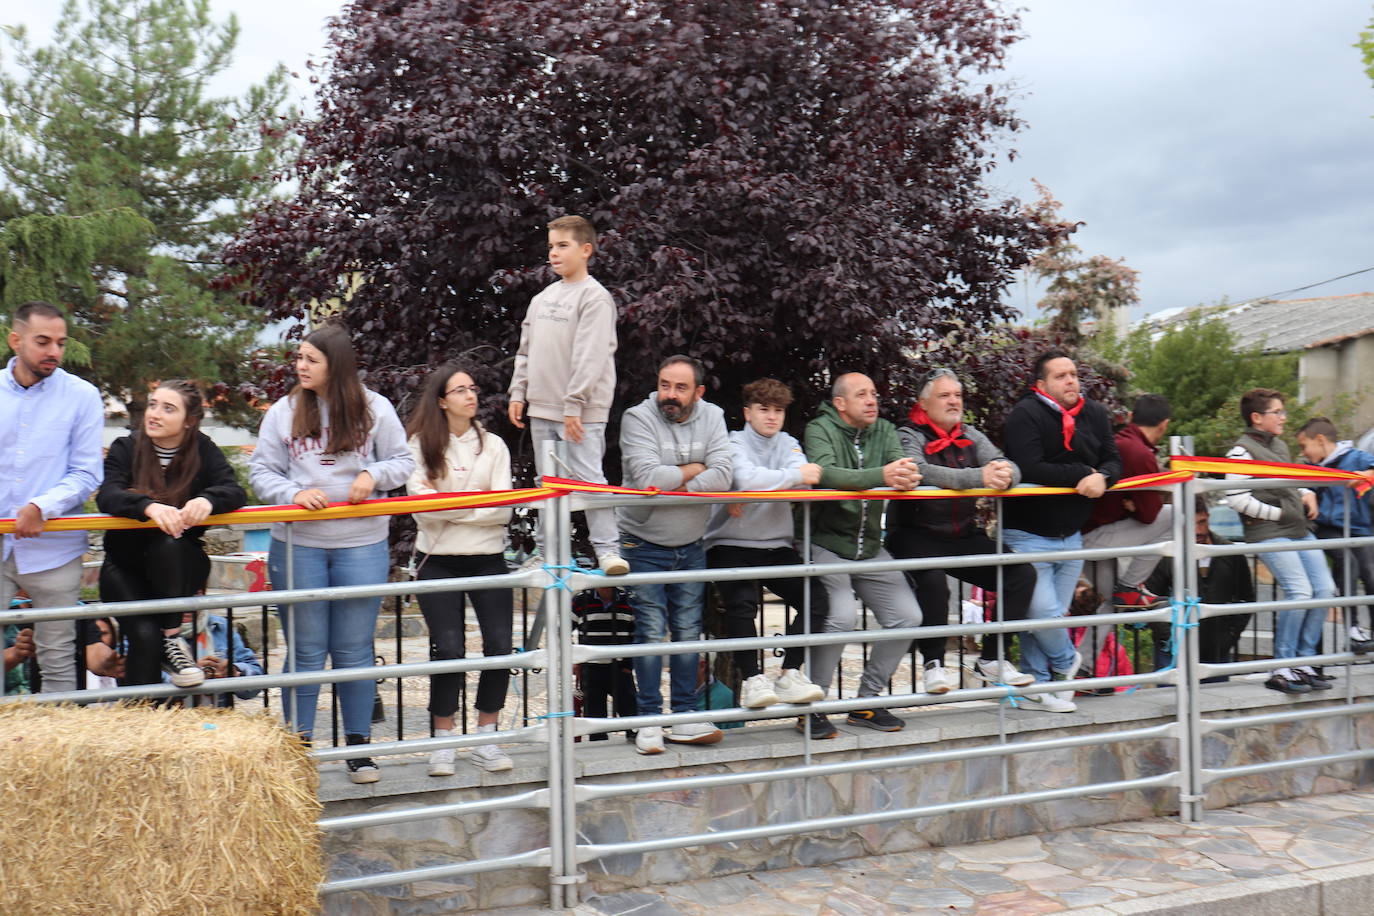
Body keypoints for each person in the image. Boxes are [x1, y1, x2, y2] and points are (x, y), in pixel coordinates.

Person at [250, 323, 415, 783]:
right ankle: (297, 750)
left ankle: (359, 750)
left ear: (335, 366)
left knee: (354, 650)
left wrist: (373, 476)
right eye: (299, 358)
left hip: (360, 544)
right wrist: (293, 492)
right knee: (304, 651)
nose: (300, 366)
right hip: (298, 544)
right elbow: (261, 471)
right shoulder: (283, 411)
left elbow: (403, 462)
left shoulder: (375, 408)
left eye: (310, 360)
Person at [887, 368, 1035, 695]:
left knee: (1021, 574)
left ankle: (992, 659)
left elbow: (1006, 465)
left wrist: (1005, 475)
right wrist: (979, 477)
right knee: (933, 582)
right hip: (916, 533)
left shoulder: (970, 433)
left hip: (962, 535)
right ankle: (933, 663)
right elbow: (920, 471)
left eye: (957, 395)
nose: (954, 401)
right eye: (945, 395)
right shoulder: (908, 434)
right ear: (923, 404)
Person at [96, 380, 247, 691]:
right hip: (126, 568)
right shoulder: (127, 447)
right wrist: (148, 507)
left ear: (189, 420)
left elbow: (233, 490)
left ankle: (172, 636)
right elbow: (108, 494)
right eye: (153, 405)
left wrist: (207, 500)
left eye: (168, 408)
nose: (155, 414)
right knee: (144, 637)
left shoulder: (203, 449)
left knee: (169, 543)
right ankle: (142, 717)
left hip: (178, 567)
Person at [618, 355, 733, 754]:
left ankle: (684, 716)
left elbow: (725, 475)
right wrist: (694, 469)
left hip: (690, 544)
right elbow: (648, 478)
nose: (670, 394)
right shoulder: (638, 417)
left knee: (687, 631)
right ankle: (649, 720)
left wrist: (674, 481)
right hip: (641, 541)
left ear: (698, 393)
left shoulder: (713, 416)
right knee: (650, 631)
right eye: (665, 384)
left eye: (681, 388)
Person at [405, 361, 515, 776]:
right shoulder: (419, 445)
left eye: (473, 388)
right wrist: (476, 503)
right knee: (448, 649)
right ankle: (444, 741)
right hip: (437, 559)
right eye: (461, 390)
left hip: (488, 557)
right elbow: (421, 510)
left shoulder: (496, 446)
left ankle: (487, 738)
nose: (471, 396)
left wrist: (449, 505)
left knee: (500, 646)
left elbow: (502, 510)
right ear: (441, 401)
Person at [803, 372, 923, 736]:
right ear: (840, 403)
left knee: (908, 616)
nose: (872, 400)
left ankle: (866, 703)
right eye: (862, 395)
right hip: (826, 542)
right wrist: (882, 474)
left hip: (870, 546)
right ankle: (812, 707)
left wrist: (905, 475)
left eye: (874, 393)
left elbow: (902, 467)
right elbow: (826, 475)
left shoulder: (884, 429)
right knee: (841, 618)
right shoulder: (819, 429)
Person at [1001, 350, 1121, 713]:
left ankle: (1037, 689)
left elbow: (1114, 459)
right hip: (1027, 531)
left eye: (1073, 374)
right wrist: (1083, 474)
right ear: (1041, 385)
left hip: (1071, 533)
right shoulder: (1025, 414)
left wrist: (1103, 477)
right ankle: (1069, 661)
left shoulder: (1094, 413)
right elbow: (1028, 467)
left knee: (1049, 616)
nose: (1071, 381)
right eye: (1061, 376)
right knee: (1042, 613)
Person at [507, 215, 626, 575]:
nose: (554, 254)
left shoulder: (595, 297)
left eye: (563, 245)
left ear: (586, 250)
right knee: (548, 484)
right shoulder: (542, 298)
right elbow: (525, 350)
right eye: (551, 247)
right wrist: (519, 392)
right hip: (543, 408)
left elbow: (590, 355)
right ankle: (549, 554)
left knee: (590, 480)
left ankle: (608, 552)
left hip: (582, 411)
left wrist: (574, 404)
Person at [703, 378, 828, 714]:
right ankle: (753, 679)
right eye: (764, 409)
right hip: (729, 541)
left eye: (778, 410)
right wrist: (791, 476)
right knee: (742, 603)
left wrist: (770, 483)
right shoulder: (733, 442)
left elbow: (807, 485)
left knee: (815, 596)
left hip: (775, 544)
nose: (772, 416)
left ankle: (790, 673)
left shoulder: (788, 442)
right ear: (747, 412)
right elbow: (746, 478)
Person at [1, 301, 104, 694]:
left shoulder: (82, 396)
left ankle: (58, 751)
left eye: (61, 342)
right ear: (16, 340)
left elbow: (86, 472)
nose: (54, 352)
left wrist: (41, 506)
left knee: (58, 655)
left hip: (54, 547)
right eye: (43, 341)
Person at [1223, 388, 1336, 693]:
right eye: (1278, 412)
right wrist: (1279, 514)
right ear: (1257, 418)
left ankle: (1304, 662)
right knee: (1300, 591)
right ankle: (1283, 666)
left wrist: (1306, 492)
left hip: (1296, 529)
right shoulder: (1240, 452)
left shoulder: (1281, 446)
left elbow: (1290, 482)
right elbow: (1235, 498)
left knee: (1325, 590)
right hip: (1269, 532)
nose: (1284, 417)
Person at [1144, 496, 1255, 677]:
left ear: (1208, 516)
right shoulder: (1166, 554)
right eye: (1191, 524)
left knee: (1217, 703)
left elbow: (1246, 598)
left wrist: (1230, 636)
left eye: (1202, 522)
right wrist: (1168, 638)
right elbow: (1150, 597)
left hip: (1217, 650)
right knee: (1169, 702)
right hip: (1174, 650)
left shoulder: (1231, 552)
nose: (1198, 530)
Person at [1082, 394, 1174, 609]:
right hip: (1096, 534)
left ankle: (1127, 591)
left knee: (1106, 610)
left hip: (1088, 530)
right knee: (1176, 515)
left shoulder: (1121, 442)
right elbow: (1149, 515)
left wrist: (1136, 505)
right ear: (1164, 424)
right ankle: (1130, 586)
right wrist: (1137, 507)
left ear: (1131, 416)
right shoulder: (1139, 453)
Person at [571, 585, 638, 741]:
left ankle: (635, 736)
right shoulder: (581, 599)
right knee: (594, 712)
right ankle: (597, 743)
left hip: (621, 666)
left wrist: (629, 664)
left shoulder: (627, 599)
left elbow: (636, 634)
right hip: (591, 665)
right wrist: (575, 658)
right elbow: (563, 629)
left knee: (629, 708)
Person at [177, 610, 266, 705]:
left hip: (218, 714)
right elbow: (160, 683)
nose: (188, 605)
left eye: (194, 595)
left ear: (203, 595)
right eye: (181, 595)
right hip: (171, 715)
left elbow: (256, 684)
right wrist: (190, 674)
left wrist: (236, 671)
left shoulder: (221, 625)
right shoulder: (160, 631)